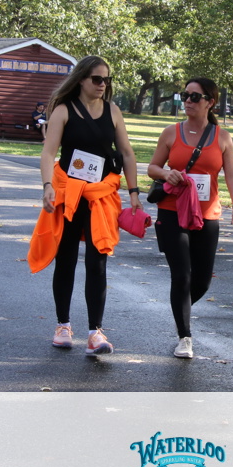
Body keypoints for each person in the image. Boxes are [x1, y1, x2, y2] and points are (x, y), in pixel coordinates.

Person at [27, 55, 141, 355]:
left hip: (100, 196)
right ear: (81, 80)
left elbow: (127, 153)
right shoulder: (63, 110)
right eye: (97, 79)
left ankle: (95, 332)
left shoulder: (113, 111)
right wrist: (48, 186)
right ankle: (63, 325)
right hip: (69, 194)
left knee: (97, 260)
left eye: (107, 79)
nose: (103, 84)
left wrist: (134, 191)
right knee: (65, 259)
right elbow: (48, 153)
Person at [147, 77, 233, 360]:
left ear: (210, 102)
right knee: (181, 274)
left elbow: (231, 175)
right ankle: (185, 337)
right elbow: (152, 167)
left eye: (194, 96)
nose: (188, 101)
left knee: (202, 281)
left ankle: (179, 308)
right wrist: (166, 173)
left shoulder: (222, 138)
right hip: (172, 211)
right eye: (185, 95)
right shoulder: (171, 132)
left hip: (207, 214)